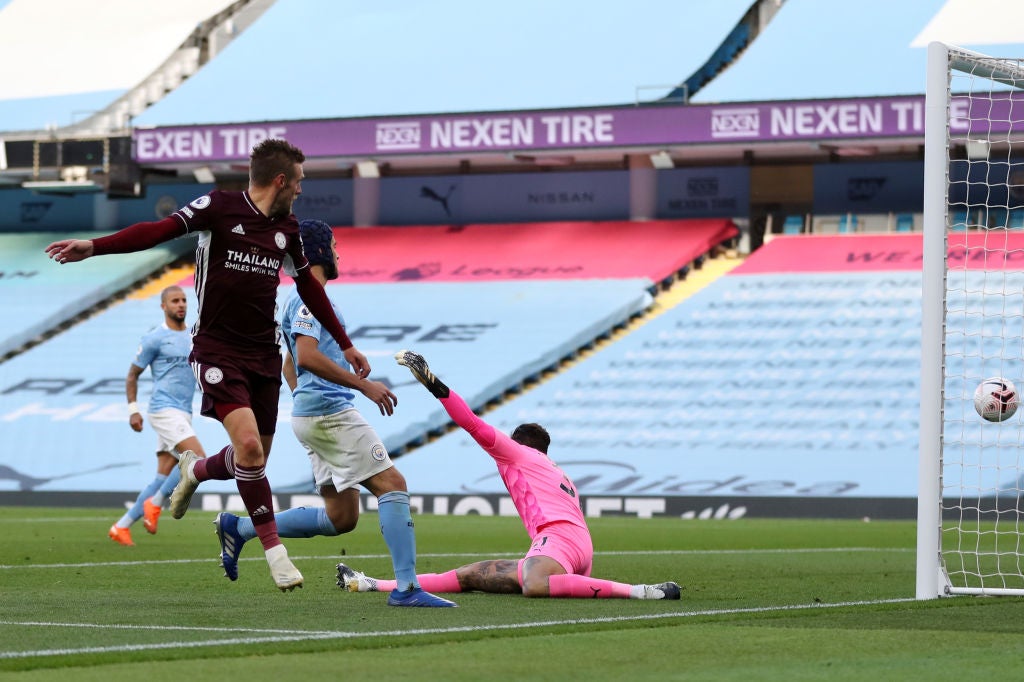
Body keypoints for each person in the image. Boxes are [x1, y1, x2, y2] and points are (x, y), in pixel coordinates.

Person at [45, 138, 370, 592]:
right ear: (280, 180)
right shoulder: (217, 208)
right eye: (297, 182)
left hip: (263, 357)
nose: (300, 190)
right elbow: (157, 231)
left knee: (249, 460)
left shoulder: (288, 229)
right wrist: (94, 246)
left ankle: (195, 470)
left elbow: (310, 290)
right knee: (251, 453)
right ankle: (275, 553)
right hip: (217, 351)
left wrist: (347, 344)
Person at [212, 219, 455, 607]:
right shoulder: (310, 297)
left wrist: (306, 400)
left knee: (341, 518)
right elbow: (306, 356)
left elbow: (290, 363)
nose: (339, 252)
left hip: (310, 415)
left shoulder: (297, 298)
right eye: (335, 245)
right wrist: (363, 386)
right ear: (319, 251)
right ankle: (407, 590)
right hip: (331, 414)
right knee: (392, 484)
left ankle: (239, 527)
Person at [337, 350, 681, 600]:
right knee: (469, 576)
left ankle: (642, 592)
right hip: (575, 544)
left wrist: (432, 382)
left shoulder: (517, 453)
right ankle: (371, 583)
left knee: (535, 585)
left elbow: (471, 423)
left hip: (558, 539)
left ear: (519, 444)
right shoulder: (551, 468)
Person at [108, 285, 209, 546]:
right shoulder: (154, 338)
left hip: (183, 412)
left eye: (184, 300)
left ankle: (121, 526)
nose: (181, 305)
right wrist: (133, 410)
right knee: (196, 459)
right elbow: (132, 375)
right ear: (163, 306)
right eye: (175, 301)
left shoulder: (194, 336)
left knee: (163, 476)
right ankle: (156, 503)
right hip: (163, 410)